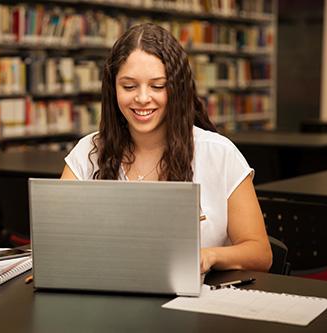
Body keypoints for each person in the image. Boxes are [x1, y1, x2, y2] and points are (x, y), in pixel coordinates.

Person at [61, 23, 272, 273]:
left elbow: (260, 253)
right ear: (112, 89)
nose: (142, 98)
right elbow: (58, 240)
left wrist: (209, 256)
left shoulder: (219, 153)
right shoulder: (89, 152)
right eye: (128, 86)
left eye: (158, 86)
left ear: (177, 89)